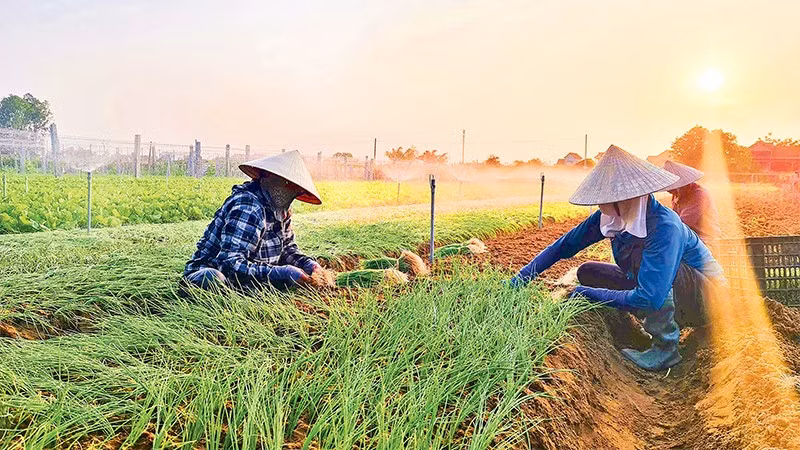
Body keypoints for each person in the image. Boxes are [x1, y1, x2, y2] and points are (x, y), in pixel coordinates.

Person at [510, 145, 724, 371]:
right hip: (662, 289)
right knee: (588, 272)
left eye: (610, 199)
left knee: (646, 266)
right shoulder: (610, 215)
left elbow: (650, 298)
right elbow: (563, 246)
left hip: (707, 299)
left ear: (631, 197)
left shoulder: (664, 226)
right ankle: (632, 329)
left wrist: (584, 293)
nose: (603, 206)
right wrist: (520, 279)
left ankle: (666, 347)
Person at [183, 150, 324, 291]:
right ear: (267, 176)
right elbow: (231, 264)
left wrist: (307, 264)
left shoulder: (282, 210)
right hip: (219, 276)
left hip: (252, 277)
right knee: (213, 278)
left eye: (295, 188)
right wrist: (280, 272)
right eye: (286, 183)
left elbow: (286, 249)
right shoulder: (248, 206)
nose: (289, 192)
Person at [662, 160, 721, 250]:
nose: (670, 191)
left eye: (672, 188)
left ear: (683, 184)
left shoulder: (699, 195)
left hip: (706, 240)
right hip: (690, 237)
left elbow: (683, 224)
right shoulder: (677, 195)